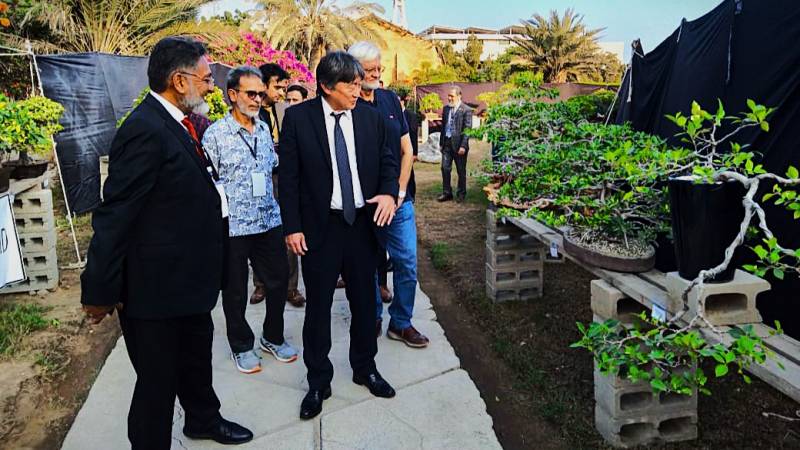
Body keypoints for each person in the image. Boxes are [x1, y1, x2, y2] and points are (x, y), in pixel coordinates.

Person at [80, 37, 253, 449]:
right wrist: (100, 290)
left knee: (195, 362)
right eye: (207, 78)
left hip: (188, 283)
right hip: (154, 290)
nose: (212, 86)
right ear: (179, 80)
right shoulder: (144, 130)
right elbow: (115, 215)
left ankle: (203, 420)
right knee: (157, 385)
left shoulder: (178, 124)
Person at [279, 51, 399, 420]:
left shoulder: (371, 117)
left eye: (359, 80)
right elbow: (290, 177)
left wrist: (390, 193)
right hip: (321, 228)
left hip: (363, 225)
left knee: (365, 302)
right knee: (318, 307)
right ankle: (318, 380)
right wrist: (293, 227)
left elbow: (388, 161)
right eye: (350, 83)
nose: (357, 88)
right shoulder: (299, 119)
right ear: (327, 86)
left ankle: (365, 368)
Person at [202, 66, 298, 374]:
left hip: (269, 220)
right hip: (234, 226)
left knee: (279, 280)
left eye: (260, 93)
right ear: (232, 95)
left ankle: (272, 336)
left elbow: (272, 169)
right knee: (235, 290)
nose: (258, 99)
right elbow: (208, 181)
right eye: (251, 93)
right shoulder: (215, 135)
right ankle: (241, 345)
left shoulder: (264, 130)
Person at [348, 41, 430, 348]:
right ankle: (371, 317)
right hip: (364, 204)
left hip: (399, 201)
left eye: (378, 68)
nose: (376, 74)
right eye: (369, 70)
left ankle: (401, 322)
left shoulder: (390, 100)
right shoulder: (348, 106)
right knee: (367, 264)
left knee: (407, 261)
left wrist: (397, 193)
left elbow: (407, 150)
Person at [251, 63, 306, 308]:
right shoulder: (249, 112)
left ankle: (291, 288)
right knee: (259, 232)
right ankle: (260, 284)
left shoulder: (283, 111)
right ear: (263, 85)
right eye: (278, 87)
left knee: (289, 229)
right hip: (258, 181)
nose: (282, 93)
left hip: (282, 177)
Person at [438, 86, 473, 202]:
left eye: (452, 96)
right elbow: (443, 127)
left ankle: (461, 193)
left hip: (459, 145)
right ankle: (447, 193)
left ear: (459, 96)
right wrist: (441, 143)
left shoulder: (466, 110)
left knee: (461, 170)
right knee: (445, 168)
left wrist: (463, 145)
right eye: (448, 95)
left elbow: (467, 129)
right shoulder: (446, 109)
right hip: (447, 143)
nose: (449, 98)